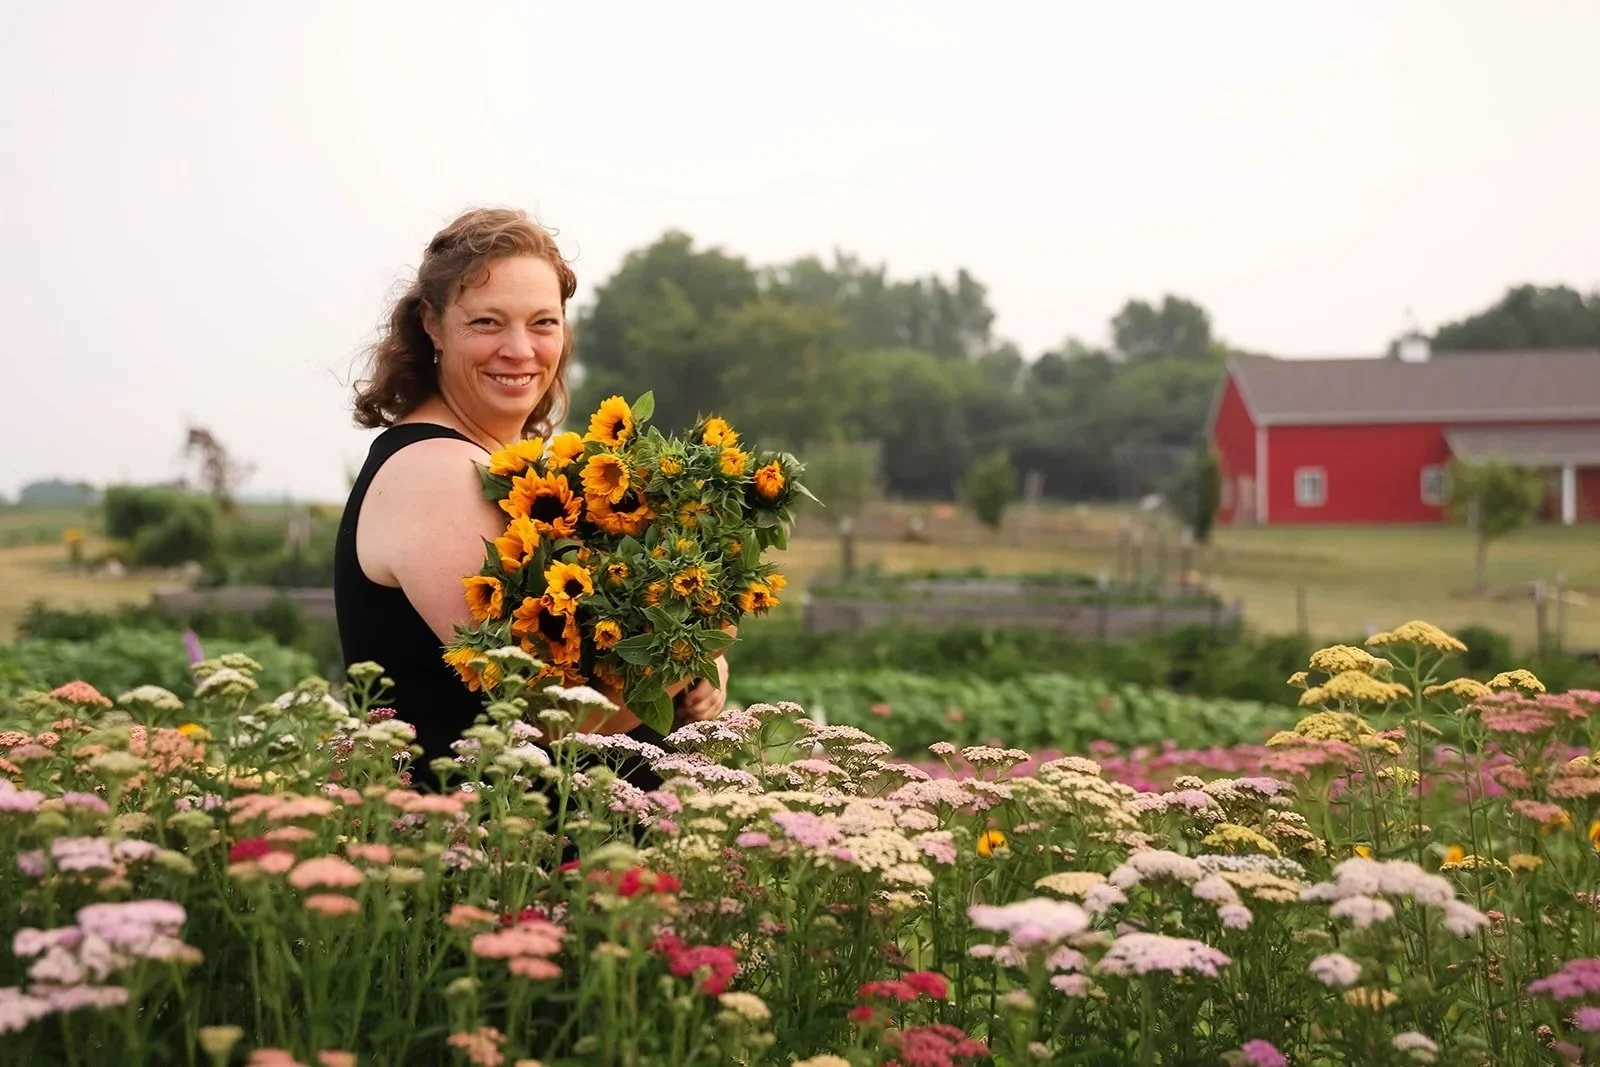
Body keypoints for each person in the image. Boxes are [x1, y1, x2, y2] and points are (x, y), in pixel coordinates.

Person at [334, 207, 728, 790]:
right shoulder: (437, 473)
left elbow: (603, 668)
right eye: (489, 323)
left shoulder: (519, 467)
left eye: (543, 322)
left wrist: (694, 669)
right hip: (499, 858)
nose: (520, 350)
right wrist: (696, 644)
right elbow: (561, 719)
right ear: (433, 325)